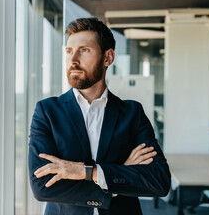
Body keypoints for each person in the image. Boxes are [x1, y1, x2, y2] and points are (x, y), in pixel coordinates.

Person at [28, 17, 171, 215]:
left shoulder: (131, 113)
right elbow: (42, 186)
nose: (73, 59)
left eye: (84, 50)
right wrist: (116, 177)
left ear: (108, 58)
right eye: (69, 51)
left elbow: (159, 180)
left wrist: (86, 172)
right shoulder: (47, 112)